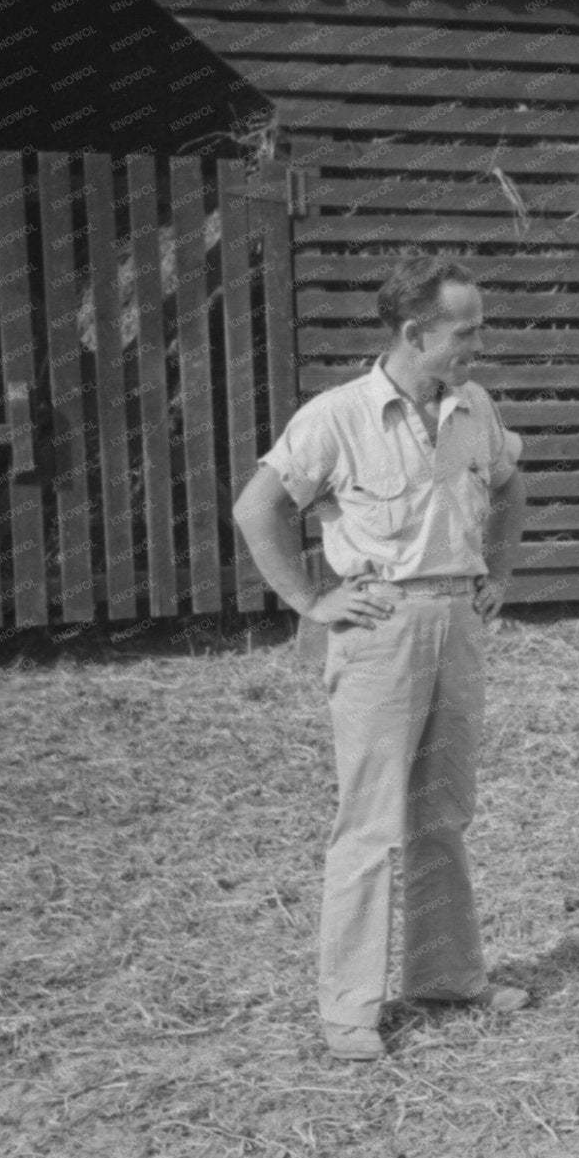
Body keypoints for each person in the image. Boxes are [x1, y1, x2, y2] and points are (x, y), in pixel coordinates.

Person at [233, 256, 526, 1060]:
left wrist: (496, 573)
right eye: (465, 331)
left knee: (443, 815)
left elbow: (508, 486)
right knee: (369, 824)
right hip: (380, 627)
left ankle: (448, 977)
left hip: (457, 622)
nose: (477, 345)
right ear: (412, 332)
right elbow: (257, 506)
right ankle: (351, 1009)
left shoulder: (474, 406)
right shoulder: (337, 416)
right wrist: (310, 600)